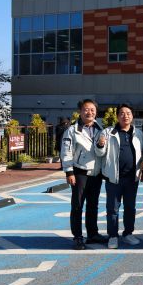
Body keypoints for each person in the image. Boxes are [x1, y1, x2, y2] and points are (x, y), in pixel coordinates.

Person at [96, 104, 143, 250]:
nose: (125, 116)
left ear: (132, 116)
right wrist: (100, 144)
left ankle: (128, 233)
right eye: (122, 113)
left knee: (130, 208)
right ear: (117, 116)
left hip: (132, 178)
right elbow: (99, 153)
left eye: (128, 113)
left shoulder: (138, 133)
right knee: (112, 209)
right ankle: (113, 236)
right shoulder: (108, 132)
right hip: (114, 178)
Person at [61, 99, 107, 250]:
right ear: (80, 112)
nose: (89, 112)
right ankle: (78, 237)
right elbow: (66, 152)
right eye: (86, 109)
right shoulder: (72, 130)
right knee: (77, 206)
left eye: (92, 110)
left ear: (96, 112)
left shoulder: (101, 129)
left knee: (93, 205)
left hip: (96, 173)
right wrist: (69, 172)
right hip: (80, 172)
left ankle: (92, 234)